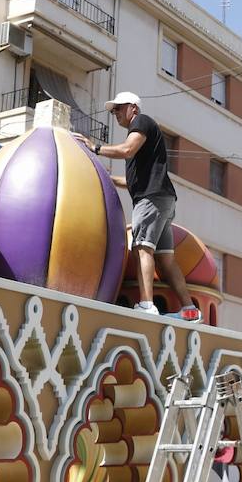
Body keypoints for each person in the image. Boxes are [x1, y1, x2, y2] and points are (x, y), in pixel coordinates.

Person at [74, 91, 200, 321]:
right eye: (114, 111)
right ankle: (190, 309)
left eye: (119, 108)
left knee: (142, 248)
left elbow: (125, 150)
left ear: (133, 108)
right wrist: (107, 178)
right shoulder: (140, 143)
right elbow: (132, 182)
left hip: (151, 200)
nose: (116, 114)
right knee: (165, 258)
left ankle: (146, 305)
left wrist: (96, 148)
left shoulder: (141, 123)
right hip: (163, 200)